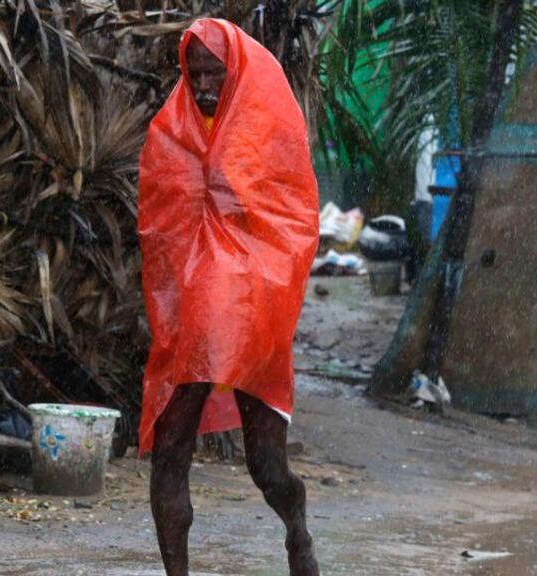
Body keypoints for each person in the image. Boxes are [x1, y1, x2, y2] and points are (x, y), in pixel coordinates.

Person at [137, 18, 321, 576]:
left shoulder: (266, 127)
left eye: (214, 73)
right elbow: (160, 225)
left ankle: (298, 530)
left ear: (237, 69)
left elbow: (291, 221)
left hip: (250, 311)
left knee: (268, 468)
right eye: (194, 75)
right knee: (171, 448)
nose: (205, 87)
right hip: (191, 315)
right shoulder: (172, 132)